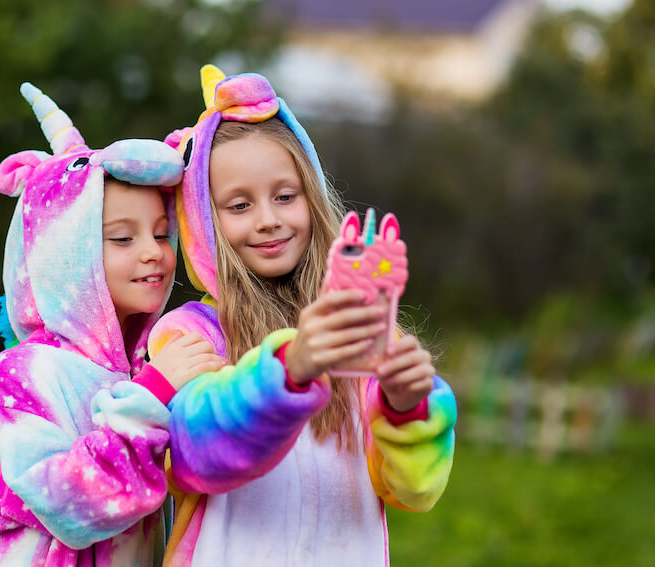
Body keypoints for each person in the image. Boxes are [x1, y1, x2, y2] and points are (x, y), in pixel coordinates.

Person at [148, 66, 458, 567]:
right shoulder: (191, 335)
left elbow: (416, 491)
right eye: (239, 204)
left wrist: (408, 411)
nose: (268, 219)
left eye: (285, 196)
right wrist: (288, 371)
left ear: (311, 197)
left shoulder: (363, 332)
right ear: (204, 221)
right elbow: (189, 456)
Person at [0, 83, 224, 567]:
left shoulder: (150, 363)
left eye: (161, 232)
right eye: (122, 237)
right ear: (68, 254)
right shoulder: (25, 372)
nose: (153, 251)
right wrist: (152, 398)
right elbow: (66, 504)